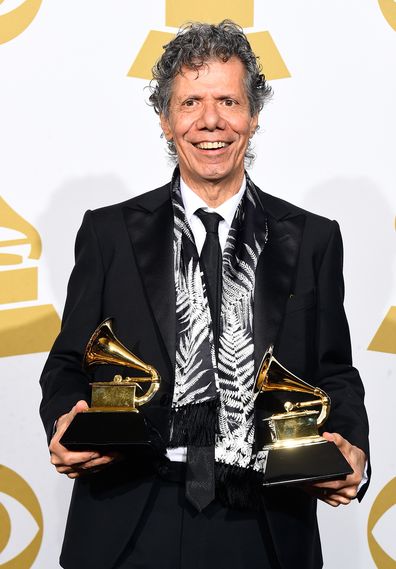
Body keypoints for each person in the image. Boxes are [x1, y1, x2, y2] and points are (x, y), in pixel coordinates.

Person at [40, 20, 370, 569]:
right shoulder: (108, 233)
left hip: (265, 524)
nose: (210, 121)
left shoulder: (314, 238)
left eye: (228, 101)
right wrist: (65, 420)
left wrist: (351, 444)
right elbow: (70, 361)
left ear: (254, 115)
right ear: (166, 121)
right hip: (130, 519)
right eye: (190, 102)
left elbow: (335, 371)